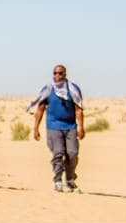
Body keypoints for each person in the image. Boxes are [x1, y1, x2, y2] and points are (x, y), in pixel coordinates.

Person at [29, 64, 85, 193]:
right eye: (55, 73)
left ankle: (70, 180)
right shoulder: (48, 89)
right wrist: (36, 128)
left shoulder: (73, 89)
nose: (57, 76)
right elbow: (40, 109)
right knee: (58, 153)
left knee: (72, 153)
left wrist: (81, 127)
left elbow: (78, 109)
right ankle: (58, 180)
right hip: (54, 126)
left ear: (65, 75)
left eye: (60, 73)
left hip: (70, 126)